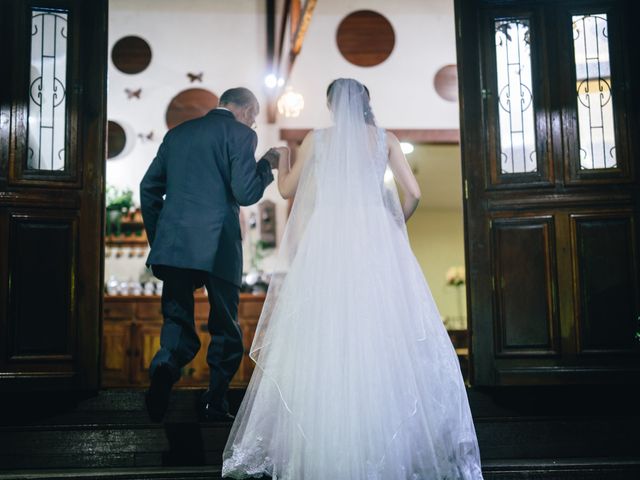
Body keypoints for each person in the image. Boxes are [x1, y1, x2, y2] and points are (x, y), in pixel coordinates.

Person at [222, 79, 483, 479]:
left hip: (328, 237)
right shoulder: (385, 138)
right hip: (374, 232)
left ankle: (327, 439)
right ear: (366, 103)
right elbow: (412, 192)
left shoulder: (317, 139)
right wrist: (392, 224)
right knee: (381, 329)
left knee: (326, 332)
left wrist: (283, 160)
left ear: (331, 106)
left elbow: (289, 188)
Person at [140, 87, 279, 423]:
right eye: (255, 117)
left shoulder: (178, 135)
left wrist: (161, 238)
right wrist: (267, 165)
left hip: (174, 246)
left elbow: (148, 187)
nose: (254, 123)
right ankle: (214, 401)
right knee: (225, 325)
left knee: (176, 318)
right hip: (218, 244)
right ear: (247, 110)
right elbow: (245, 193)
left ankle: (164, 366)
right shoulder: (241, 134)